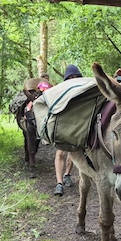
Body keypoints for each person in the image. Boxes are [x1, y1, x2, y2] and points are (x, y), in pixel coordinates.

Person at [53, 64, 83, 196]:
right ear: (66, 79)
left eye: (76, 76)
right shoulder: (61, 92)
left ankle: (67, 175)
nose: (74, 79)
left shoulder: (83, 91)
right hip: (63, 126)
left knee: (73, 153)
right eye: (71, 77)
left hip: (77, 127)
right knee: (60, 153)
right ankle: (59, 183)